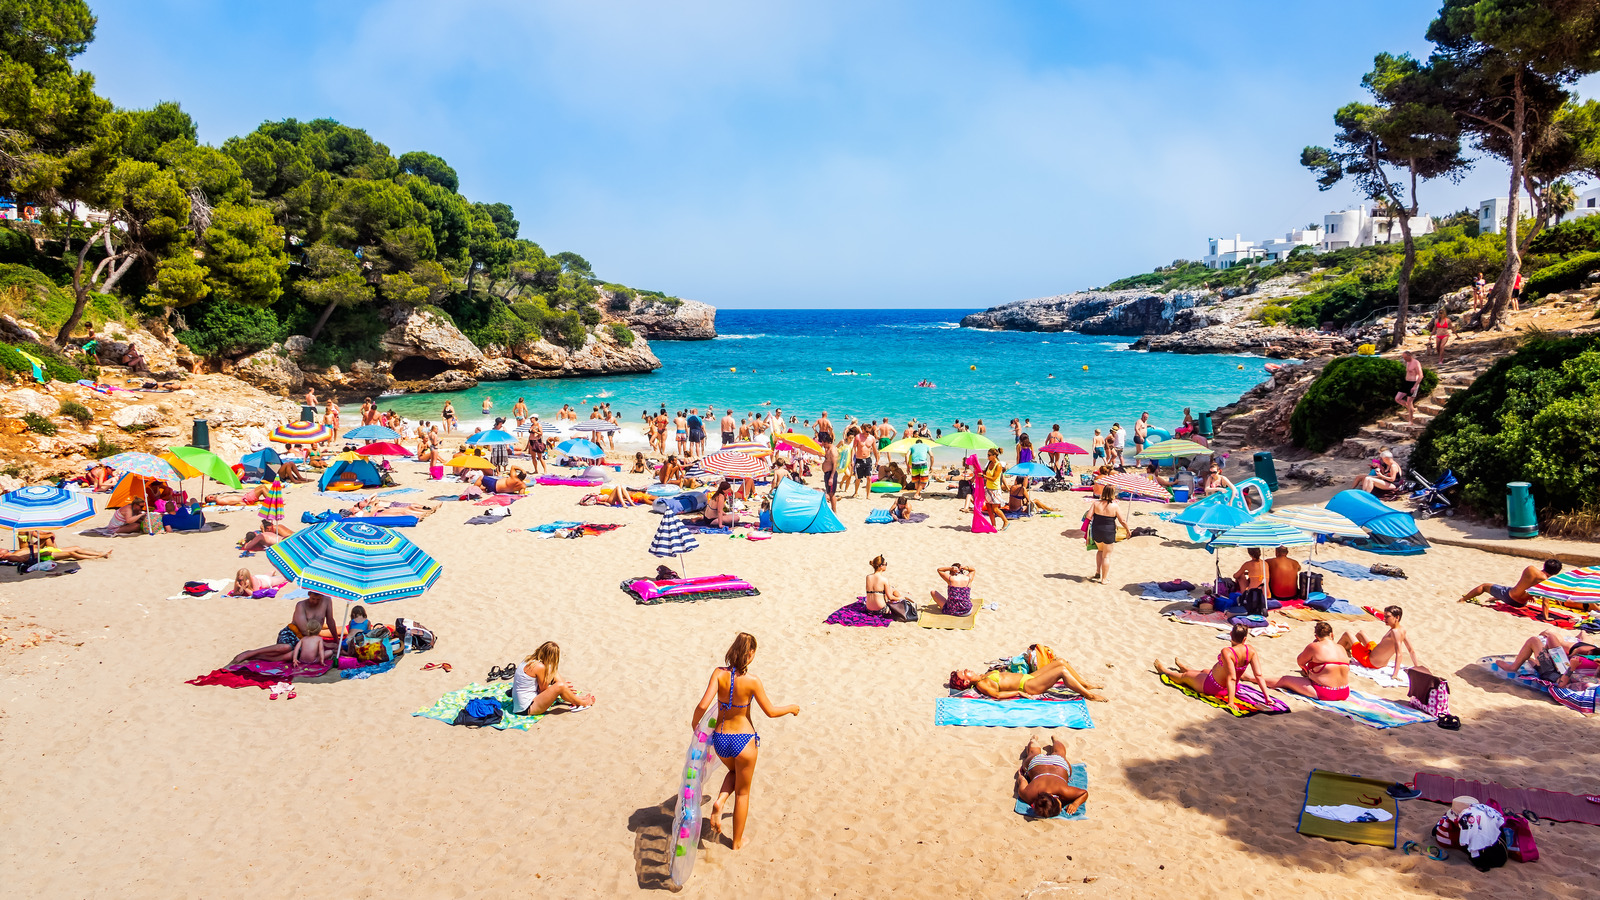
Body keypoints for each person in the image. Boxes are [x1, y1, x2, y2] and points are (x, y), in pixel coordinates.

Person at [690, 633, 800, 850]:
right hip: (744, 740)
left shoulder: (718, 674)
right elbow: (770, 711)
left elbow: (703, 705)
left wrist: (696, 727)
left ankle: (720, 801)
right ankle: (737, 842)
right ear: (751, 654)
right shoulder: (753, 681)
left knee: (733, 773)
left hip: (721, 739)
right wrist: (791, 708)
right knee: (743, 792)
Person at [1153, 625, 1268, 712]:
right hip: (1232, 687)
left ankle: (1165, 671)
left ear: (1230, 635)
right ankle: (1186, 669)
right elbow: (1258, 675)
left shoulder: (1227, 652)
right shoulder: (1251, 650)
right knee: (1204, 671)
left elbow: (1231, 677)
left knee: (1184, 678)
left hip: (1214, 686)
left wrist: (1231, 702)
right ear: (1244, 639)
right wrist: (1267, 698)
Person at [231, 590, 343, 667]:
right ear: (308, 594)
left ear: (322, 596)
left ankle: (258, 656)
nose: (315, 601)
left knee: (290, 655)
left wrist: (336, 640)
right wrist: (325, 644)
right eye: (313, 598)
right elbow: (305, 630)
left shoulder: (327, 601)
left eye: (318, 599)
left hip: (309, 638)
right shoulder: (301, 605)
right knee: (285, 647)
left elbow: (330, 621)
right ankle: (251, 653)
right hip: (294, 633)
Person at [949, 656, 1107, 702]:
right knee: (1062, 671)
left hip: (1029, 677)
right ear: (965, 682)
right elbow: (997, 695)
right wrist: (1018, 692)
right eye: (965, 673)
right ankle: (1089, 696)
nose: (967, 669)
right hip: (1029, 685)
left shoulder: (984, 675)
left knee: (1060, 661)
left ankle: (1084, 683)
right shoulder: (982, 684)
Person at [1266, 622, 1351, 701]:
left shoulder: (1314, 646)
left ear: (1316, 636)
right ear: (1332, 634)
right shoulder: (1341, 648)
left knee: (1285, 679)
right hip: (1344, 692)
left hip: (1325, 692)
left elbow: (1300, 661)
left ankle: (1254, 678)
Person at [1461, 558, 1564, 620]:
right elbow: (1545, 602)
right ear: (1556, 572)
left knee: (1484, 586)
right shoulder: (1547, 583)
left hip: (1509, 597)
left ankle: (1462, 600)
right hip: (1521, 604)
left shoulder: (1531, 569)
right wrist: (1546, 617)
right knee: (1509, 589)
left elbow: (1525, 583)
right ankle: (1495, 598)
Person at [512, 641, 596, 716]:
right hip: (527, 708)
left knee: (553, 672)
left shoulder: (530, 659)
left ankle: (573, 697)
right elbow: (543, 691)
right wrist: (558, 687)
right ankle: (582, 703)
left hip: (523, 703)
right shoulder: (539, 667)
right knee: (560, 686)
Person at [1337, 605, 1420, 679]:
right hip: (1376, 656)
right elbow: (1411, 650)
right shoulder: (1402, 629)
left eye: (1387, 617)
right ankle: (1347, 649)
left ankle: (1335, 651)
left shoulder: (1395, 632)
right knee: (1361, 633)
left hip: (1370, 662)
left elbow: (1399, 654)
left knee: (1347, 633)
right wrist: (1417, 666)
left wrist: (1395, 674)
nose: (1384, 619)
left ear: (1397, 618)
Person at [1015, 735, 1088, 818]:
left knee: (1060, 754)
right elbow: (1022, 779)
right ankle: (1047, 740)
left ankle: (1049, 740)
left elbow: (1084, 793)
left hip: (1058, 765)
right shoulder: (1028, 795)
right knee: (1033, 754)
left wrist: (1075, 804)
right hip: (1038, 764)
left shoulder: (1064, 791)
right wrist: (1021, 773)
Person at [1500, 630, 1600, 675]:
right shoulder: (1591, 652)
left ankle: (1513, 667)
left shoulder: (1589, 651)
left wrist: (1571, 656)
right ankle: (1537, 661)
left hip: (1563, 668)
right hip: (1567, 666)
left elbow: (1577, 652)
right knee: (1551, 639)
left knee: (1536, 640)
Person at [1086, 484, 1128, 584]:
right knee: (1106, 556)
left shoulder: (1096, 503)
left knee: (1100, 551)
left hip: (1097, 530)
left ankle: (1097, 572)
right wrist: (1128, 530)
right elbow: (1122, 520)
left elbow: (1088, 516)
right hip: (1109, 531)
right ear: (1113, 494)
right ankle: (1104, 579)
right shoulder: (1115, 506)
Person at [982, 448, 1008, 532]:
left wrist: (983, 476)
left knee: (995, 509)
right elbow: (985, 472)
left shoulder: (998, 465)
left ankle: (1006, 521)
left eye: (989, 455)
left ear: (994, 455)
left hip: (995, 489)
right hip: (988, 488)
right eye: (987, 455)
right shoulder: (989, 463)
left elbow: (993, 478)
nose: (988, 457)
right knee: (989, 508)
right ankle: (993, 525)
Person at [1396, 350, 1424, 424]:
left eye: (1405, 357)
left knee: (1409, 401)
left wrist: (1415, 386)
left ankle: (1410, 420)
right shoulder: (1408, 362)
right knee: (1397, 398)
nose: (1404, 359)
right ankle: (1410, 409)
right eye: (1403, 357)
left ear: (1409, 356)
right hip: (1406, 383)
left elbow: (1421, 375)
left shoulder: (1416, 363)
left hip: (1413, 383)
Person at [821, 437, 838, 512]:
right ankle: (832, 510)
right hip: (827, 474)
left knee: (831, 494)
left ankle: (834, 511)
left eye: (824, 443)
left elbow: (835, 464)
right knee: (829, 493)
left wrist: (831, 477)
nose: (823, 444)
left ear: (828, 442)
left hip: (831, 474)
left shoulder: (833, 450)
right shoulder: (828, 449)